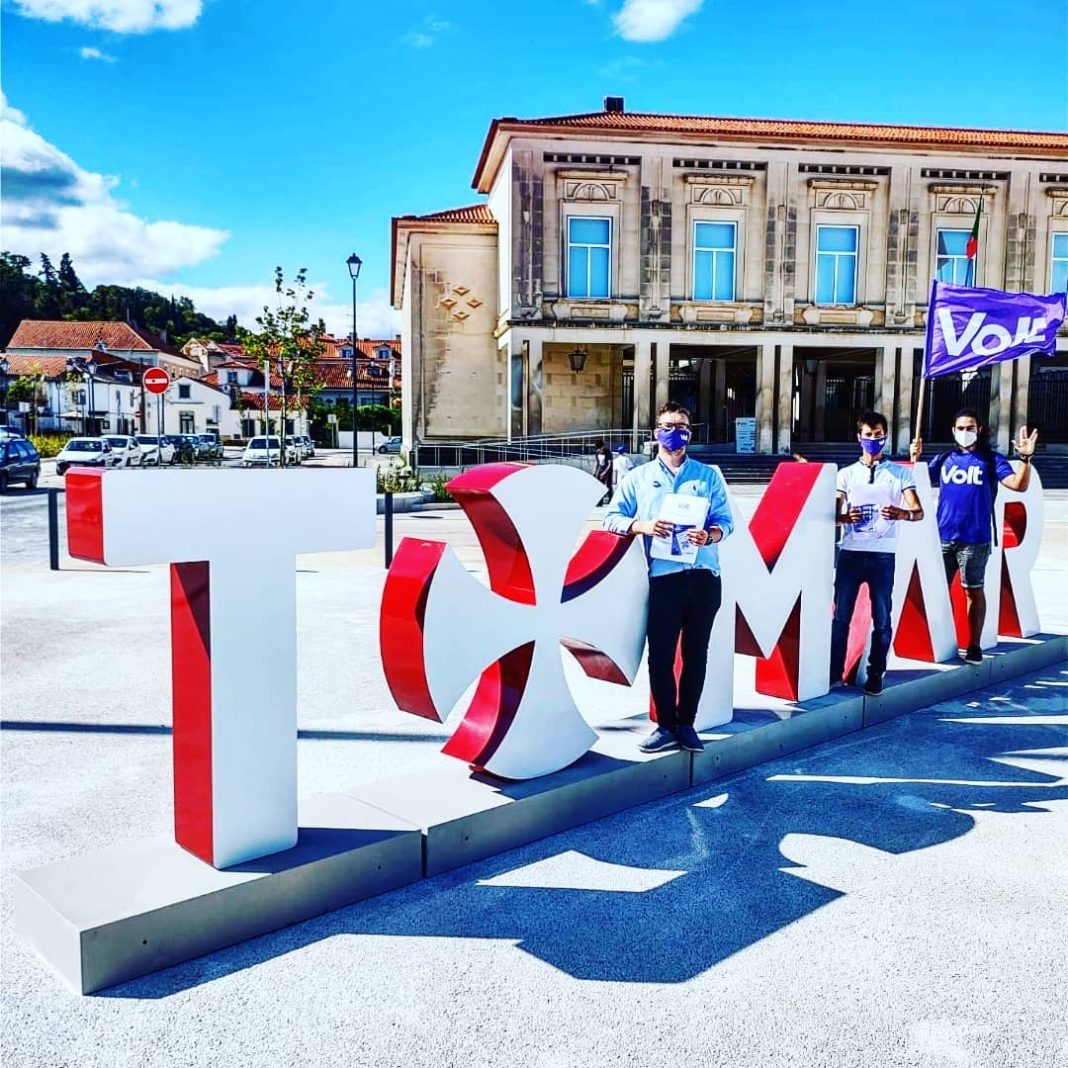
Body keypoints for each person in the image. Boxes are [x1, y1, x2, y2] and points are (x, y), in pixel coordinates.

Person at [603, 402, 733, 753]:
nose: (676, 432)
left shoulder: (707, 476)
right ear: (656, 432)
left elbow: (726, 521)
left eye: (683, 427)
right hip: (664, 578)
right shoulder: (638, 478)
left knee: (696, 653)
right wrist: (642, 526)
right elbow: (611, 518)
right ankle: (665, 725)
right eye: (669, 426)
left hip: (704, 576)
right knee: (660, 654)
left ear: (690, 433)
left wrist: (710, 535)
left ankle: (687, 723)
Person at [910, 408, 1037, 664]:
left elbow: (1018, 485)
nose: (965, 432)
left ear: (979, 430)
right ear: (953, 431)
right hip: (943, 536)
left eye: (970, 428)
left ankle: (974, 644)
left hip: (975, 539)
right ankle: (942, 639)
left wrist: (1025, 458)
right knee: (938, 590)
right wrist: (915, 459)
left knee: (973, 590)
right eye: (960, 428)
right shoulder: (944, 459)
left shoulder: (991, 460)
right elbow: (916, 482)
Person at [829, 411, 923, 696]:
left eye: (878, 434)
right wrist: (844, 517)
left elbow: (918, 511)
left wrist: (900, 513)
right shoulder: (846, 474)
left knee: (881, 617)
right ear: (859, 437)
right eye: (868, 434)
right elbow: (833, 513)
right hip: (851, 552)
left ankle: (875, 673)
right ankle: (833, 671)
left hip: (882, 554)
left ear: (886, 436)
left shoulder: (900, 473)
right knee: (840, 616)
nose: (873, 439)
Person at [593, 441, 612, 505]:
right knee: (600, 485)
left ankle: (610, 499)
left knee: (608, 485)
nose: (600, 450)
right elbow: (596, 462)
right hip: (600, 469)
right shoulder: (597, 452)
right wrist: (594, 471)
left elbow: (609, 464)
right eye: (598, 449)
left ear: (603, 446)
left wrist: (604, 472)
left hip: (607, 470)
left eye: (600, 449)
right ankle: (600, 501)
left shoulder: (608, 452)